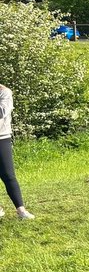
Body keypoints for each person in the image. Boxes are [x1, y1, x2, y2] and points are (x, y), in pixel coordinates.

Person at [0, 83, 34, 220]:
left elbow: (2, 111)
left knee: (8, 175)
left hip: (2, 138)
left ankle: (21, 211)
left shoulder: (5, 93)